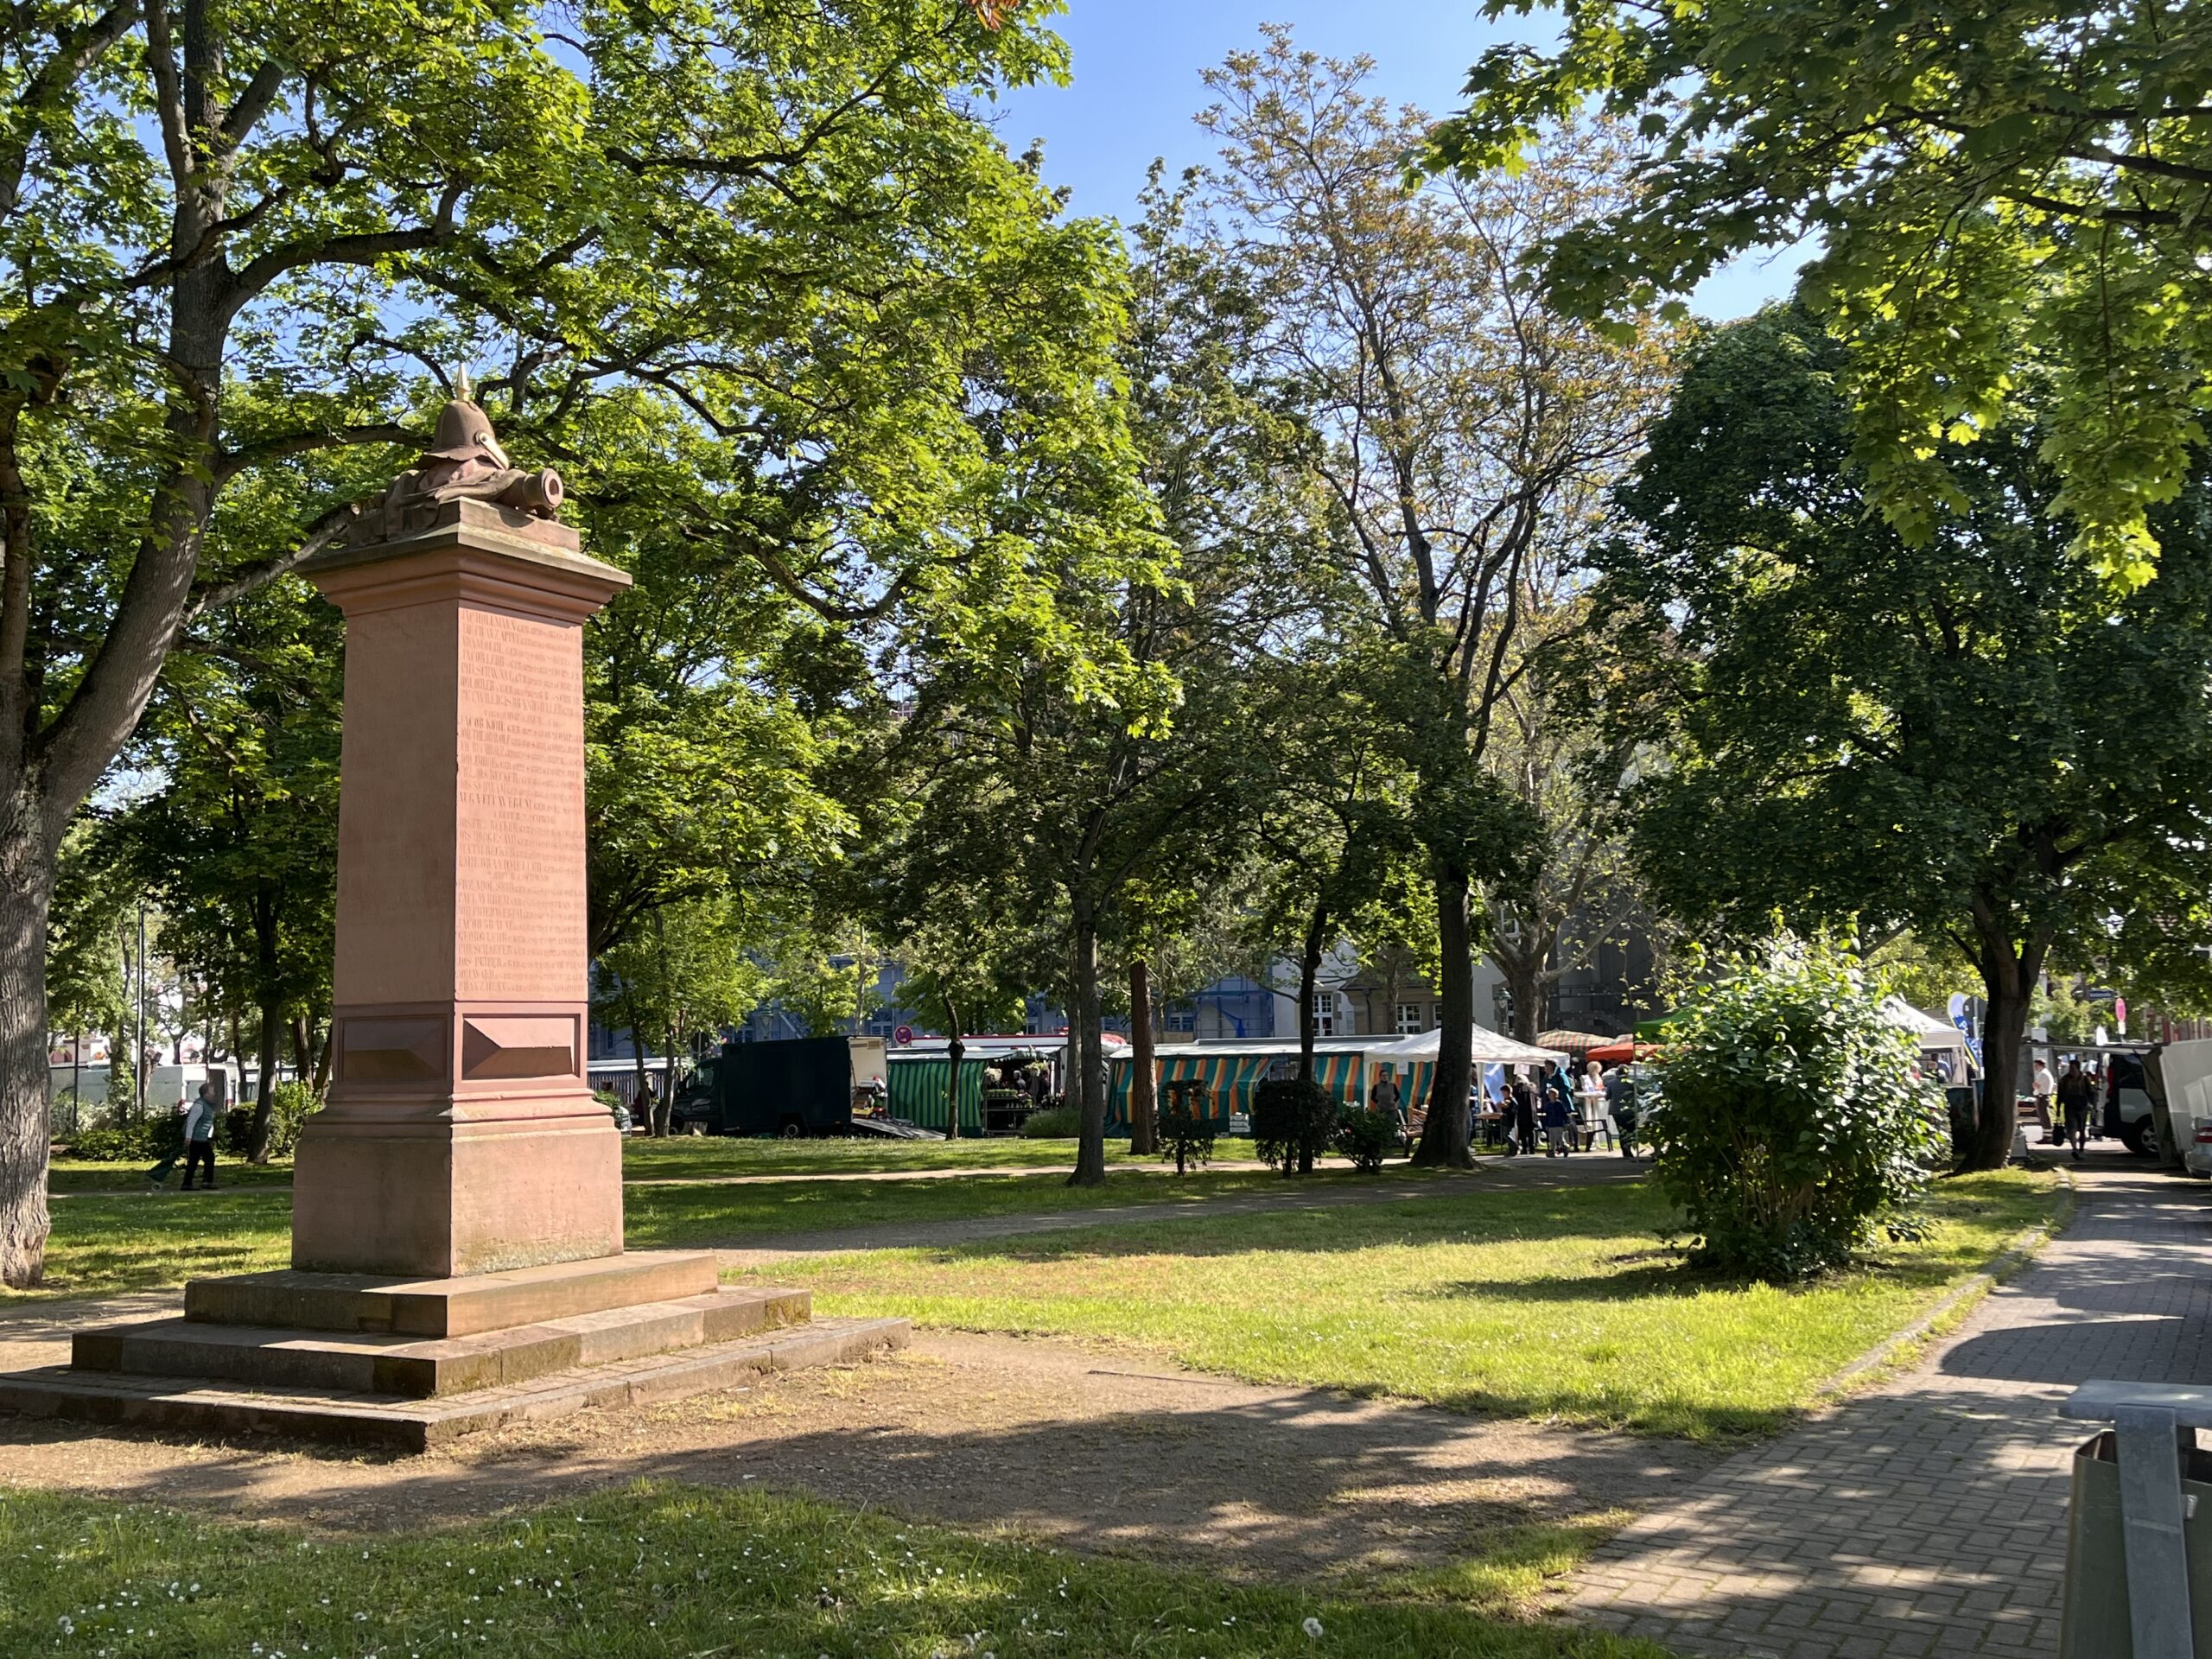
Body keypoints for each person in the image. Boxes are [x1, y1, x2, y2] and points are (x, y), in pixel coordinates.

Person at [180, 1081, 219, 1191]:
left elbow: (207, 1122)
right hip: (197, 1138)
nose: (214, 1094)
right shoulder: (199, 1105)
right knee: (208, 1158)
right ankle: (206, 1182)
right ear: (206, 1094)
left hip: (201, 1138)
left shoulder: (205, 1105)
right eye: (212, 1092)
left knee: (195, 1161)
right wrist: (188, 1137)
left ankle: (187, 1183)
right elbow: (191, 1122)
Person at [2056, 1058, 2094, 1162]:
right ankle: (2074, 1148)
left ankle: (2081, 1148)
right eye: (2070, 1068)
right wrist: (2058, 1108)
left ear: (2078, 1068)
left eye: (2073, 1068)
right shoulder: (2064, 1080)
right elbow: (2060, 1094)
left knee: (2082, 1129)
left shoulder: (2084, 1079)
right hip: (2070, 1106)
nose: (2071, 1070)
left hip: (2082, 1106)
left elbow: (2091, 1092)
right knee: (2072, 1128)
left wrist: (2091, 1104)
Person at [1539, 1064, 1574, 1156]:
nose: (1545, 1068)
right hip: (1551, 1122)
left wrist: (1565, 1122)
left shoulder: (1560, 1076)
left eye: (1546, 1066)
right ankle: (1552, 1150)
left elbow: (1567, 1088)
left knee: (1560, 1137)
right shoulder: (1546, 1077)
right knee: (1552, 1138)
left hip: (1559, 1121)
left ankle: (1565, 1147)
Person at [2031, 1058, 2057, 1143]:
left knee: (2044, 1116)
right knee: (2044, 1116)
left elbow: (2036, 1085)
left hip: (2042, 1096)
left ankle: (2048, 1136)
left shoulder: (2043, 1074)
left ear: (2040, 1065)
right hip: (2044, 1096)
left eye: (2036, 1065)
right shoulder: (2046, 1073)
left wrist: (2035, 1086)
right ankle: (2047, 1135)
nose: (2035, 1067)